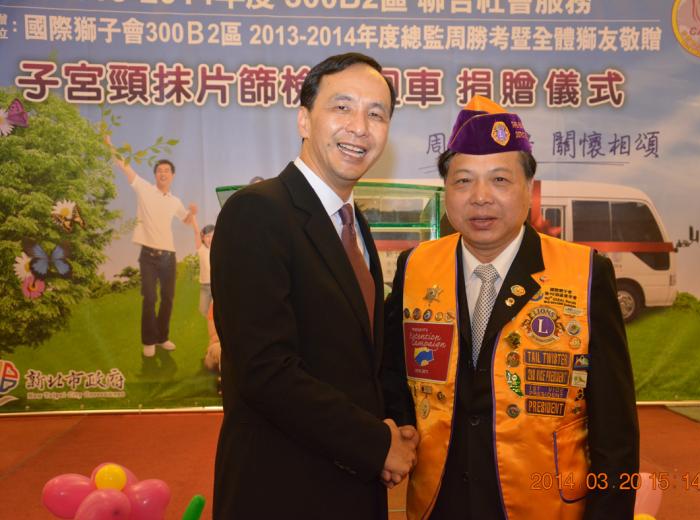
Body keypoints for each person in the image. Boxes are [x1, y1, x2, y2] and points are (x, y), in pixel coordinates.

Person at [382, 96, 639, 520]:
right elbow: (392, 370)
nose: (480, 197)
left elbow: (616, 427)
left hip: (544, 505)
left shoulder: (585, 272)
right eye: (463, 181)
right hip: (438, 502)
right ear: (446, 191)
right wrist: (399, 427)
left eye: (500, 180)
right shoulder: (416, 267)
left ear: (529, 189)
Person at [210, 53, 419, 519]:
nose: (360, 127)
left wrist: (397, 425)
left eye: (376, 114)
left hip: (351, 485)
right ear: (304, 120)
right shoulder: (257, 212)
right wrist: (376, 444)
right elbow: (265, 370)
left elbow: (360, 357)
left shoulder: (354, 224)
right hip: (282, 490)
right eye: (342, 107)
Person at [107, 137, 197, 358]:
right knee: (149, 298)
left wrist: (192, 214)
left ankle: (162, 338)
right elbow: (125, 167)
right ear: (155, 175)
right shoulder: (145, 189)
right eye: (159, 171)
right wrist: (110, 145)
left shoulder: (175, 201)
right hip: (148, 255)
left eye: (167, 171)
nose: (163, 173)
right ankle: (148, 340)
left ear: (172, 175)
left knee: (168, 298)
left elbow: (185, 220)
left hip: (168, 256)